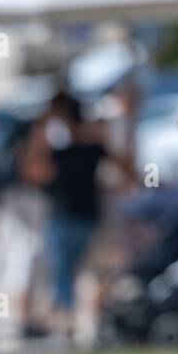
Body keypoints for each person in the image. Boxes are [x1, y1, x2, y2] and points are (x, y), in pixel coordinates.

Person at [23, 90, 135, 336]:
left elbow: (34, 173)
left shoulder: (75, 150)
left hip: (72, 219)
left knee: (70, 274)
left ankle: (73, 324)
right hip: (85, 218)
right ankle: (82, 325)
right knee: (82, 275)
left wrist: (41, 128)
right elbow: (127, 169)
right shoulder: (90, 148)